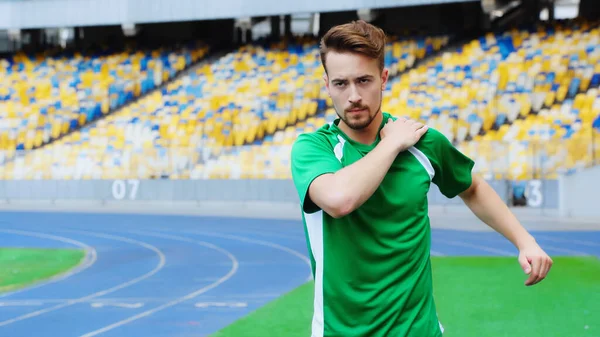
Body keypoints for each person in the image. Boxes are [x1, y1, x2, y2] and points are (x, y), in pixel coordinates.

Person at [290, 20, 553, 337]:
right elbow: (338, 200)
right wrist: (391, 144)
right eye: (341, 84)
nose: (354, 96)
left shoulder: (424, 143)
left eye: (364, 80)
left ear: (383, 78)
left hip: (419, 329)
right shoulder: (314, 148)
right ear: (327, 84)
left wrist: (526, 242)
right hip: (339, 331)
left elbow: (473, 187)